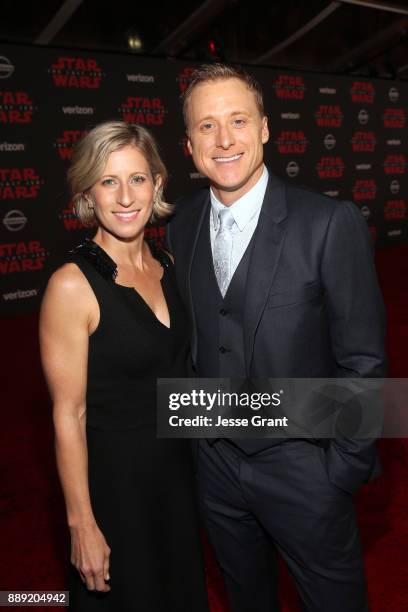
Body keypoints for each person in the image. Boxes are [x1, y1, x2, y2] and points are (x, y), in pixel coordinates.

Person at [167, 64, 387, 612]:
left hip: (305, 466)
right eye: (206, 126)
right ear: (188, 142)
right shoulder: (180, 225)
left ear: (265, 127)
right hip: (214, 466)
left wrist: (338, 470)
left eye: (238, 120)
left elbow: (363, 359)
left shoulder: (329, 222)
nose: (224, 140)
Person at [39, 121, 209, 612]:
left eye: (137, 178)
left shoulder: (168, 263)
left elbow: (181, 385)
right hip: (117, 492)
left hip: (177, 481)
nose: (125, 196)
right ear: (88, 192)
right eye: (108, 181)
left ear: (158, 183)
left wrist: (336, 410)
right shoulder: (72, 286)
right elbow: (67, 415)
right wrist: (81, 524)